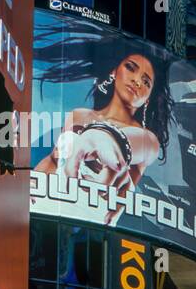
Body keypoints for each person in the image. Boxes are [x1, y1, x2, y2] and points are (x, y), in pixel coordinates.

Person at [33, 45, 173, 227]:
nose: (137, 81)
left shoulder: (147, 140)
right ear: (115, 71)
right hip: (43, 209)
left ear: (148, 98)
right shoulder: (79, 115)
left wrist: (98, 139)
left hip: (87, 228)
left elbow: (120, 144)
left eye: (146, 82)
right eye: (130, 68)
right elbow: (54, 160)